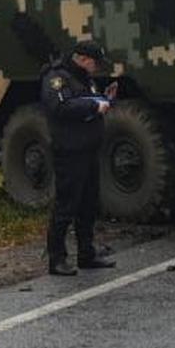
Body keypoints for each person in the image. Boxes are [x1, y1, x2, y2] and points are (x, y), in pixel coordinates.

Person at [40, 41, 119, 276]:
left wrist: (105, 100)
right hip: (70, 150)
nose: (95, 68)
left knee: (89, 203)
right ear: (83, 59)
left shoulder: (83, 79)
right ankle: (57, 258)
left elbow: (86, 102)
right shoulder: (57, 78)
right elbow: (61, 106)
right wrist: (94, 107)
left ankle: (87, 252)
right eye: (94, 63)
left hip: (89, 149)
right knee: (66, 205)